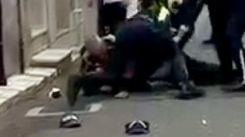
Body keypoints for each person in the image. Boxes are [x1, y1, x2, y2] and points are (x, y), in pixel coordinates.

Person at [67, 11, 205, 108]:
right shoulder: (164, 43)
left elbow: (133, 66)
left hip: (141, 42)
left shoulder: (156, 40)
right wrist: (184, 83)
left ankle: (86, 83)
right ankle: (82, 81)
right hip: (143, 42)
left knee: (120, 75)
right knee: (115, 74)